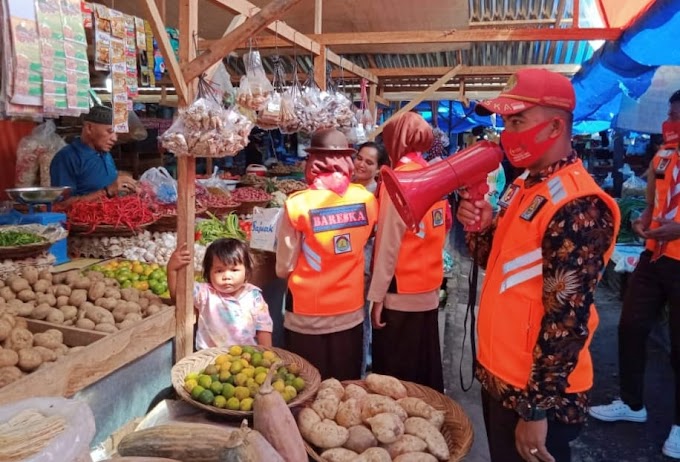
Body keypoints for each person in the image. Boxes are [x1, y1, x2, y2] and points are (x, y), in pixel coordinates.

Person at [457, 68, 620, 462]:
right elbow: (496, 262)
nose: (506, 133)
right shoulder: (524, 185)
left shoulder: (579, 205)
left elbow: (568, 318)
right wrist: (479, 227)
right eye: (505, 121)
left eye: (517, 121)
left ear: (555, 127)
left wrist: (538, 408)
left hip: (535, 394)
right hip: (500, 377)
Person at [589, 89, 680, 459]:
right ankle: (631, 402)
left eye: (678, 116)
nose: (673, 123)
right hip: (653, 255)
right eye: (672, 114)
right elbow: (651, 201)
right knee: (630, 326)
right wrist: (641, 222)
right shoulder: (663, 155)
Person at [275, 128, 378, 380]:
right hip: (350, 312)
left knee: (307, 387)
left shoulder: (297, 204)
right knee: (344, 388)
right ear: (347, 162)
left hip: (306, 314)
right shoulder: (367, 200)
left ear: (312, 163)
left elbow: (284, 266)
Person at [367, 112, 447, 392]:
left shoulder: (396, 181)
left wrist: (377, 297)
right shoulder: (436, 176)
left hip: (400, 293)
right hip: (429, 287)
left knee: (396, 379)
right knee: (425, 368)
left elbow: (388, 243)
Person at [168, 238, 273, 349]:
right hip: (210, 358)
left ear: (246, 272)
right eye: (219, 271)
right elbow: (178, 296)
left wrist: (266, 353)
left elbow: (263, 327)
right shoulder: (205, 293)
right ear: (209, 273)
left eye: (234, 270)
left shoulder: (253, 295)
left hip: (246, 358)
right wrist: (171, 270)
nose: (227, 277)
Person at [352, 141, 390, 374]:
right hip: (348, 264)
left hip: (363, 264)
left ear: (378, 169)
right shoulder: (348, 188)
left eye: (369, 162)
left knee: (360, 317)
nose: (361, 164)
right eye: (359, 158)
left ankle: (359, 370)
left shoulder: (376, 194)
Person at [50, 105, 137, 204]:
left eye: (116, 134)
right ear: (89, 128)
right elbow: (62, 204)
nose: (115, 138)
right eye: (110, 131)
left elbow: (107, 181)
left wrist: (128, 185)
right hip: (84, 218)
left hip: (110, 215)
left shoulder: (105, 154)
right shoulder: (66, 158)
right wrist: (106, 191)